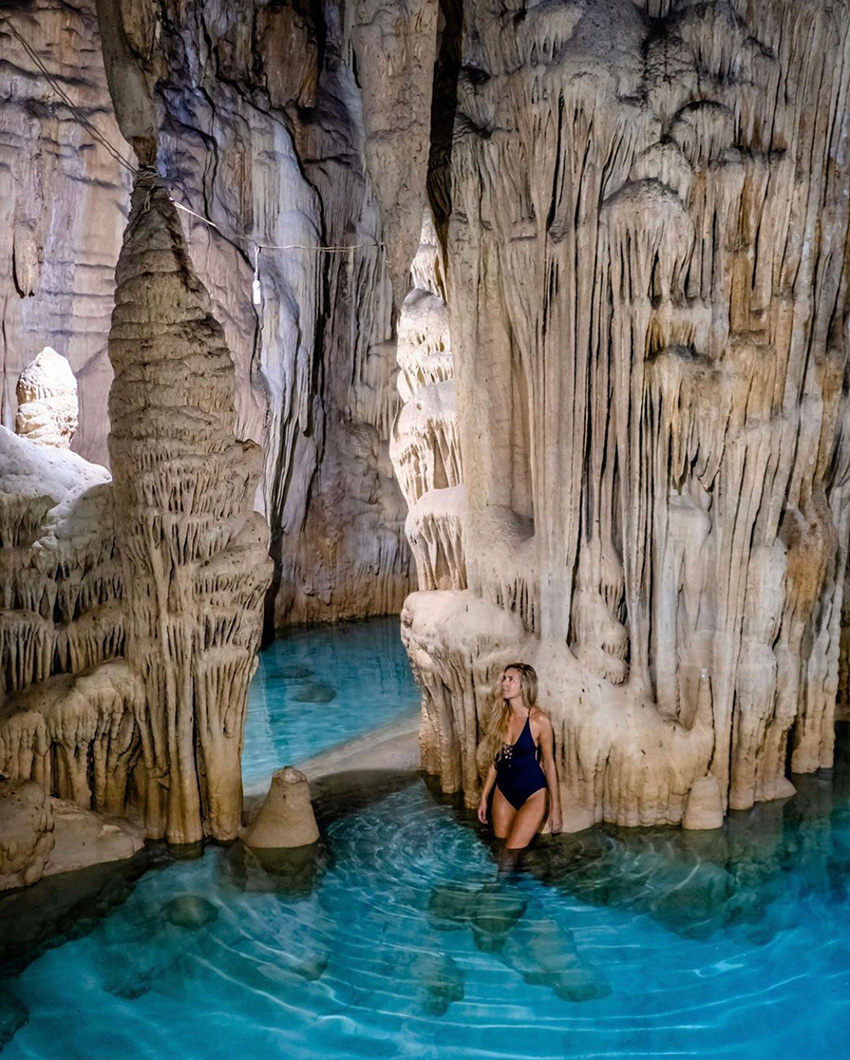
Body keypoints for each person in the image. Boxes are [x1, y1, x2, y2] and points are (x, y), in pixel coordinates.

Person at [477, 663, 562, 861]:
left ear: (524, 685)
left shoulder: (539, 721)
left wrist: (556, 808)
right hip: (503, 792)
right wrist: (484, 796)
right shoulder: (501, 716)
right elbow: (495, 761)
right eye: (504, 678)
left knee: (510, 857)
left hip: (532, 793)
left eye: (510, 679)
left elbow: (549, 764)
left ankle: (498, 890)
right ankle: (510, 887)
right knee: (500, 852)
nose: (504, 683)